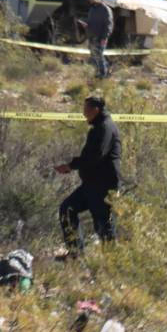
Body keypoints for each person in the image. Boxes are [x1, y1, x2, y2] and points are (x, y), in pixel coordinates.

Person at [55, 97, 121, 255]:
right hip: (91, 185)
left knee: (103, 224)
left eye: (86, 110)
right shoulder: (99, 127)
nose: (84, 113)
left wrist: (71, 165)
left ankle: (113, 265)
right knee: (67, 209)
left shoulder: (105, 128)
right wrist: (72, 165)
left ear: (95, 110)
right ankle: (75, 253)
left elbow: (96, 156)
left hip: (103, 186)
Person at [81, 0, 113, 78]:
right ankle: (99, 72)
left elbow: (108, 25)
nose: (90, 0)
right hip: (91, 36)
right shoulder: (92, 9)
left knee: (99, 55)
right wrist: (85, 24)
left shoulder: (105, 9)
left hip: (100, 37)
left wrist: (104, 37)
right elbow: (90, 22)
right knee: (93, 55)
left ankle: (103, 73)